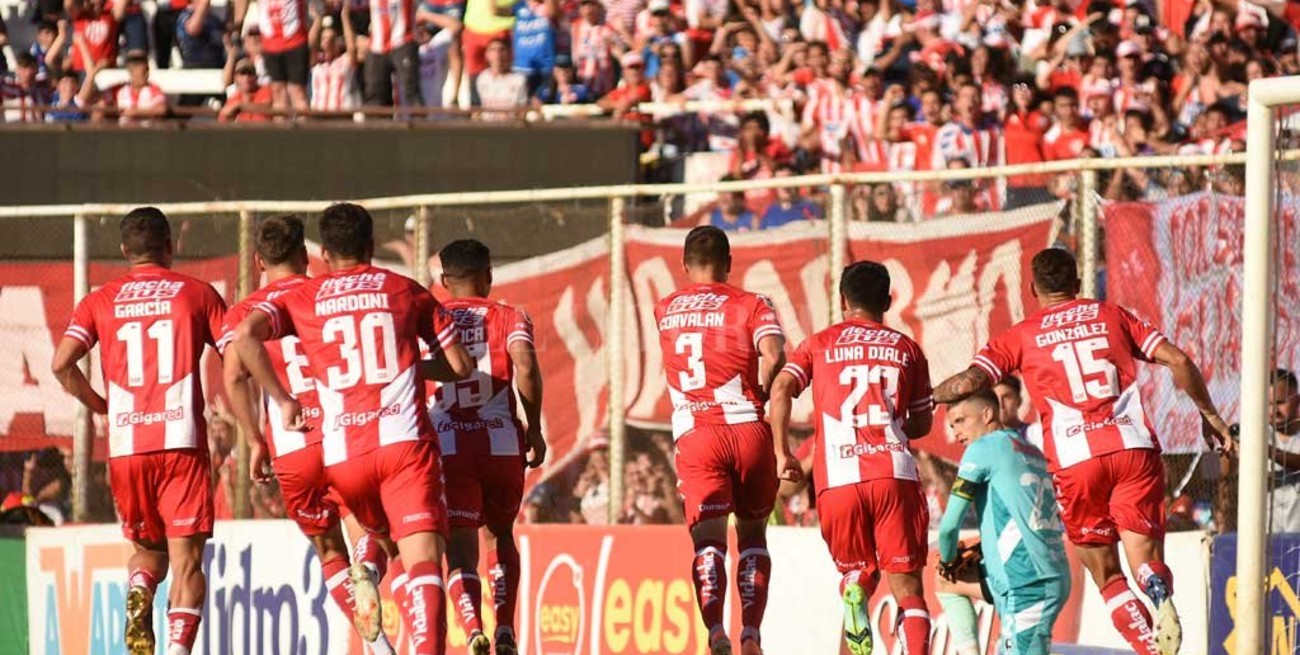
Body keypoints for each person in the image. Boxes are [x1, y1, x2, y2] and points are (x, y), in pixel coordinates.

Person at [933, 247, 1235, 655]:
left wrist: (925, 396)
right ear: (1077, 284)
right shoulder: (1112, 315)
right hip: (1132, 447)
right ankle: (1157, 587)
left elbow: (969, 381)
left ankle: (1150, 648)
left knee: (1108, 576)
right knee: (1143, 557)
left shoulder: (1022, 334)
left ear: (1033, 290)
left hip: (1076, 461)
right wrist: (1209, 414)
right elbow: (1178, 359)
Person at [227, 203, 473, 655]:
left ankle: (368, 577)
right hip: (402, 447)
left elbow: (244, 338)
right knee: (423, 564)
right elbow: (459, 365)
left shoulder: (304, 298)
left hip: (343, 457)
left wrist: (281, 402)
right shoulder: (404, 289)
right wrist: (413, 366)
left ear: (322, 253)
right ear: (372, 245)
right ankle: (395, 608)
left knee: (377, 542)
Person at [51, 207, 227, 655]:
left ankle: (141, 587)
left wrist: (102, 406)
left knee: (148, 552)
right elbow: (236, 350)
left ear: (125, 251)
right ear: (170, 246)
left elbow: (61, 364)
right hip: (181, 442)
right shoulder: (197, 293)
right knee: (187, 564)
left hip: (128, 445)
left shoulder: (99, 299)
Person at [219, 215, 397, 654]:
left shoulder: (244, 314)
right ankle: (370, 574)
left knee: (327, 547)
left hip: (291, 445)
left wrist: (256, 438)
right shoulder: (326, 291)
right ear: (306, 254)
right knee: (376, 532)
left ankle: (379, 647)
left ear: (258, 261)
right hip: (343, 436)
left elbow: (234, 378)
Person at [769, 260, 935, 655]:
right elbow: (920, 425)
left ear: (843, 300)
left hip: (838, 479)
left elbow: (779, 389)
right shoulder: (907, 349)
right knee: (908, 588)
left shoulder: (817, 344)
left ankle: (853, 587)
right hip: (893, 474)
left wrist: (781, 452)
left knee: (858, 575)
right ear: (888, 301)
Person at [652, 226, 787, 655]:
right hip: (748, 428)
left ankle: (715, 631)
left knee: (708, 541)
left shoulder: (665, 308)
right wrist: (765, 381)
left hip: (697, 434)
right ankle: (751, 631)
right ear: (729, 264)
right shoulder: (752, 304)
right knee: (752, 536)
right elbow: (775, 353)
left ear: (685, 265)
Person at [432, 239, 547, 655]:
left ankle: (472, 626)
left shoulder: (430, 317)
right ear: (489, 275)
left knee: (460, 548)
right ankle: (504, 629)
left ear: (444, 281)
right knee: (499, 534)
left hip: (449, 442)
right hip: (500, 441)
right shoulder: (509, 315)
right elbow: (526, 366)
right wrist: (533, 427)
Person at [936, 389, 1071, 655]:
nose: (956, 432)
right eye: (952, 425)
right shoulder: (1028, 449)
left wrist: (948, 561)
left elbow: (949, 527)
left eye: (961, 420)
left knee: (946, 572)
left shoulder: (982, 448)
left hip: (1026, 581)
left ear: (987, 414)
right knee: (944, 581)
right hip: (1042, 572)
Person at [237, 0, 311, 115]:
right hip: (271, 43)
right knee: (278, 91)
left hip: (295, 40)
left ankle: (304, 128)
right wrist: (238, 22)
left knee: (297, 90)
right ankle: (280, 129)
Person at [1264, 369, 1300, 533]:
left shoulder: (1258, 444)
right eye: (1269, 404)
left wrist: (1260, 449)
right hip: (1267, 537)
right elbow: (1227, 475)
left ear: (1297, 401)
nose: (1274, 411)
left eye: (1280, 402)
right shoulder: (1260, 435)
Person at [219, 57, 274, 121]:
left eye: (250, 74)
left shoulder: (267, 90)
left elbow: (271, 108)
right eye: (242, 74)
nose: (246, 78)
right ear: (235, 78)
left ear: (256, 77)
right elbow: (222, 119)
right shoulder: (234, 99)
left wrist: (240, 106)